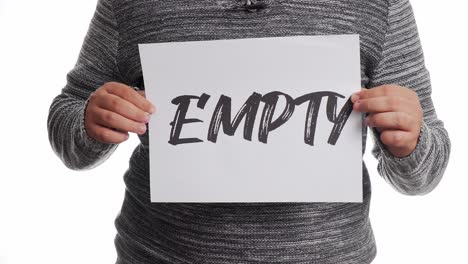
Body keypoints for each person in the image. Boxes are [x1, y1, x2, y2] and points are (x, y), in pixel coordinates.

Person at [47, 0, 451, 263]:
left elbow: (424, 172)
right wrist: (90, 120)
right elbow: (69, 118)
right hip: (159, 254)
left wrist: (410, 144)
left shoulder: (378, 5)